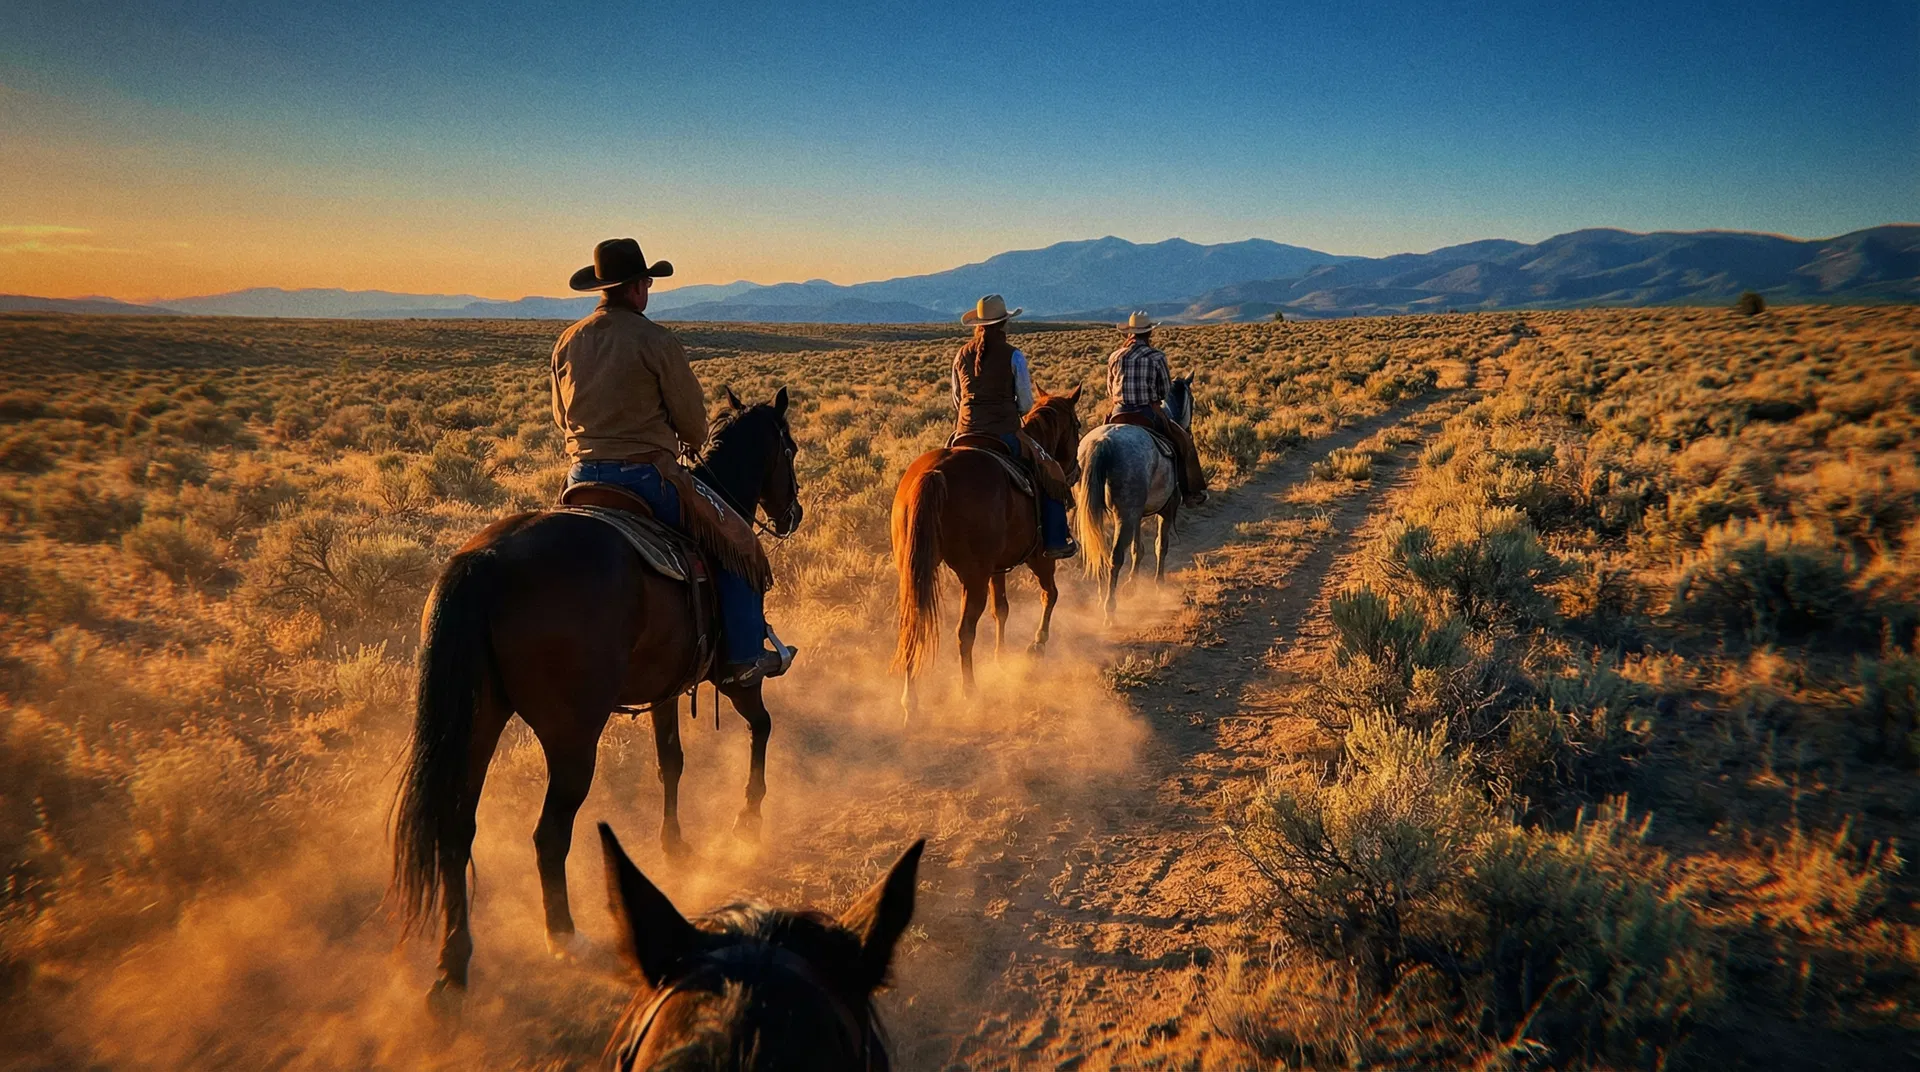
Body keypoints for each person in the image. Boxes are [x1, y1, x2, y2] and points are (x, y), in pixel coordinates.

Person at [551, 237, 792, 685]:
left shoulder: (568, 341)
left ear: (602, 288)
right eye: (647, 282)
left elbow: (561, 417)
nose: (648, 290)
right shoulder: (656, 341)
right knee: (738, 544)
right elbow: (694, 427)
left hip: (580, 479)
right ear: (638, 287)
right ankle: (742, 657)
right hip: (647, 478)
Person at [951, 294, 1077, 558]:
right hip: (1003, 433)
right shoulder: (1013, 355)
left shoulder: (961, 354)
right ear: (1004, 323)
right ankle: (1055, 540)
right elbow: (1026, 402)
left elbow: (957, 397)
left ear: (979, 324)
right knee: (1050, 470)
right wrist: (1012, 412)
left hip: (964, 433)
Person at [1106, 312, 1209, 506]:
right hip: (1147, 414)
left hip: (1118, 413)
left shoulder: (1115, 356)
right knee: (1183, 442)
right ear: (1149, 334)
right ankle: (1190, 493)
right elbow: (1164, 391)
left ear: (1129, 333)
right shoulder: (1156, 357)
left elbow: (1110, 390)